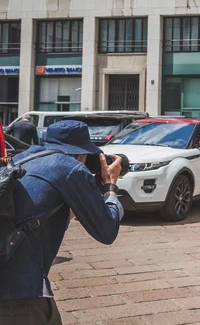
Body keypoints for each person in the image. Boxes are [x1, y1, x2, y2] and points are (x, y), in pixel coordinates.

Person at [0, 120, 124, 324]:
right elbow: (107, 230)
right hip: (19, 296)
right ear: (79, 154)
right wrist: (110, 187)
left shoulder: (22, 159)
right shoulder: (70, 168)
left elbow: (33, 211)